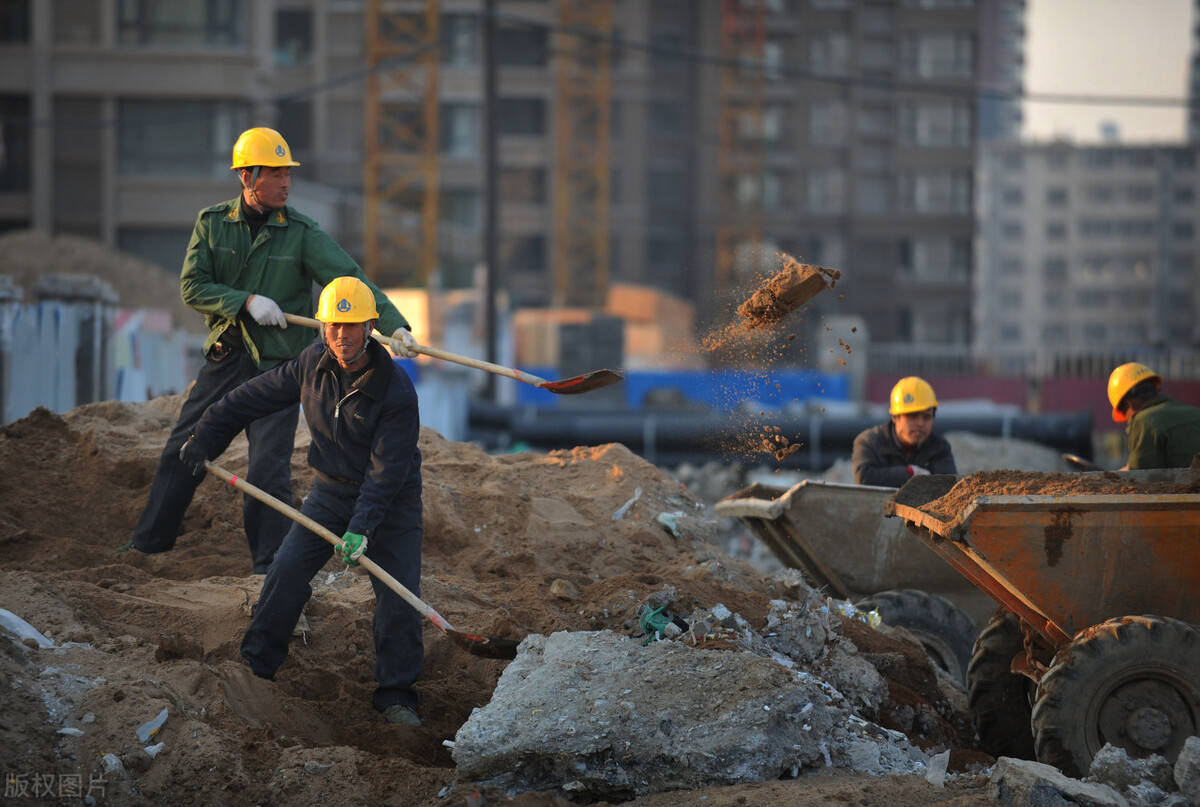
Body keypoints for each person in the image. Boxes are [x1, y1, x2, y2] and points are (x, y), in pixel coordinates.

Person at [128, 126, 417, 573]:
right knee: (184, 449)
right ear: (248, 178)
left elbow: (351, 278)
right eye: (275, 174)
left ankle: (269, 566)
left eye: (288, 174)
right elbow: (192, 285)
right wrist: (244, 302)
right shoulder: (211, 224)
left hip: (279, 364)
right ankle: (148, 546)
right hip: (228, 354)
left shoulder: (302, 233)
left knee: (266, 472)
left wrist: (395, 326)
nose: (285, 183)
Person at [177, 276, 424, 725]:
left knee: (398, 594)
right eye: (333, 326)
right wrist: (205, 435)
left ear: (370, 326)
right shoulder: (313, 363)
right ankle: (257, 666)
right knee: (285, 572)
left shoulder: (397, 392)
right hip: (330, 491)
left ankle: (396, 695)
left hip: (392, 503)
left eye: (351, 326)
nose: (342, 336)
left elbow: (386, 474)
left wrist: (362, 528)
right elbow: (249, 397)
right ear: (321, 327)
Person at [852, 376, 957, 486]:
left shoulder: (939, 447)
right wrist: (910, 472)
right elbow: (864, 478)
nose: (920, 423)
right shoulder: (869, 443)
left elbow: (951, 488)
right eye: (912, 416)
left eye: (926, 417)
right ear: (894, 417)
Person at [1107, 362, 1200, 470]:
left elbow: (1140, 479)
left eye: (1124, 413)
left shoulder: (1144, 421)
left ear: (1128, 403)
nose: (1128, 420)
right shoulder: (1195, 412)